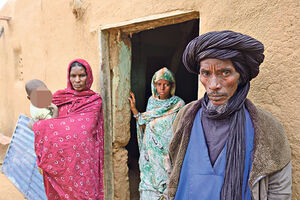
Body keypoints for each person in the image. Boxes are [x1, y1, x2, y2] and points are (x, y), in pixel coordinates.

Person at [167, 31, 292, 200]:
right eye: (206, 73)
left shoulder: (267, 128)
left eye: (225, 73)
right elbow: (171, 169)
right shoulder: (185, 117)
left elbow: (279, 191)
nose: (213, 85)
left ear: (241, 76)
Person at [32, 59, 104, 200]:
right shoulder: (59, 98)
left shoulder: (94, 101)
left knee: (85, 194)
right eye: (73, 76)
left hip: (85, 162)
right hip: (61, 162)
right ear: (68, 77)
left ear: (88, 76)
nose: (77, 80)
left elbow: (82, 127)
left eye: (82, 75)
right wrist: (41, 126)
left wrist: (40, 127)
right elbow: (52, 123)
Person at [129, 67, 185, 200]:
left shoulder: (178, 104)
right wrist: (134, 109)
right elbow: (144, 123)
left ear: (171, 86)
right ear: (154, 85)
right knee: (149, 189)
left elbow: (182, 130)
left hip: (167, 155)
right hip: (150, 157)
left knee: (167, 188)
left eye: (166, 84)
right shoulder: (151, 102)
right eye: (159, 84)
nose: (162, 88)